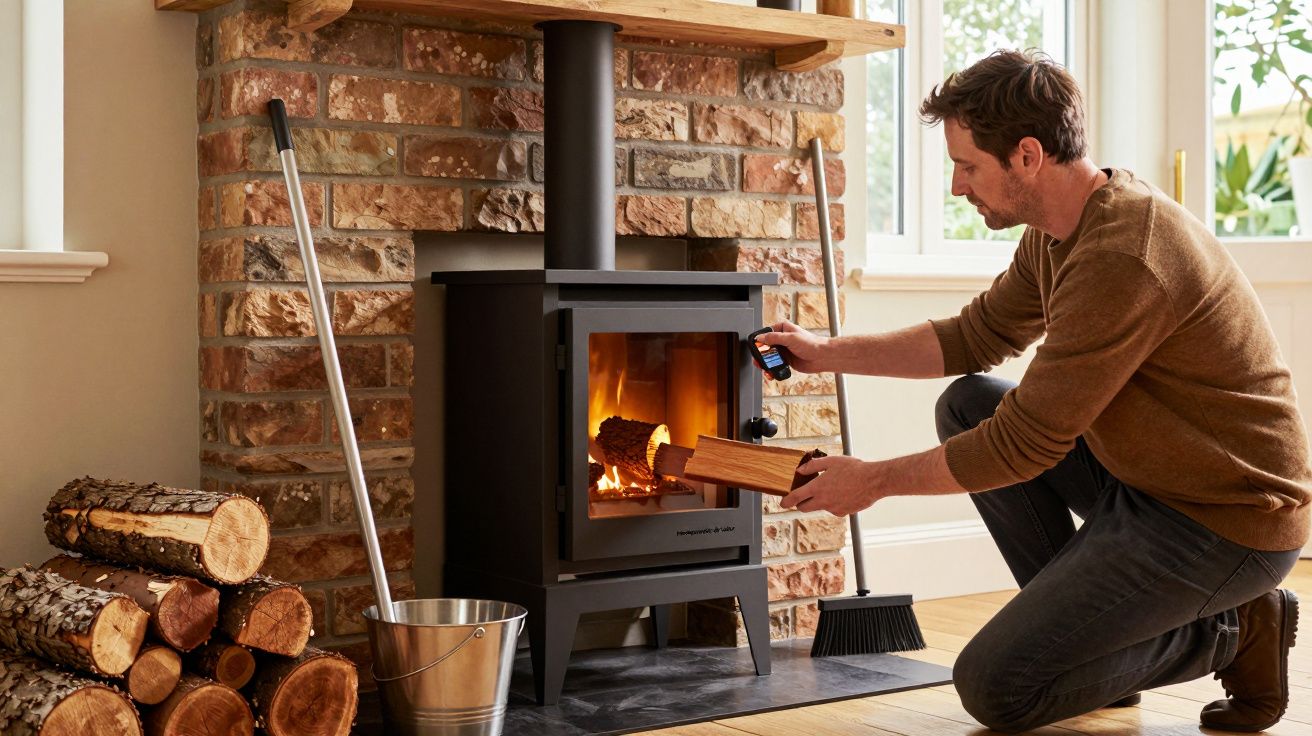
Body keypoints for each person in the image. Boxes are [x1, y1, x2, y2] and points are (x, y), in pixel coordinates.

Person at [758, 49, 1310, 733]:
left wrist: (870, 482)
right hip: (1149, 484)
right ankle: (1094, 651)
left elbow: (1026, 443)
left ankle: (1233, 628)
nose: (958, 187)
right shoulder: (1062, 230)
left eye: (967, 167)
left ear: (1026, 156)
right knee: (967, 404)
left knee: (999, 687)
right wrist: (825, 354)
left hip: (1226, 519)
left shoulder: (1124, 254)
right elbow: (974, 336)